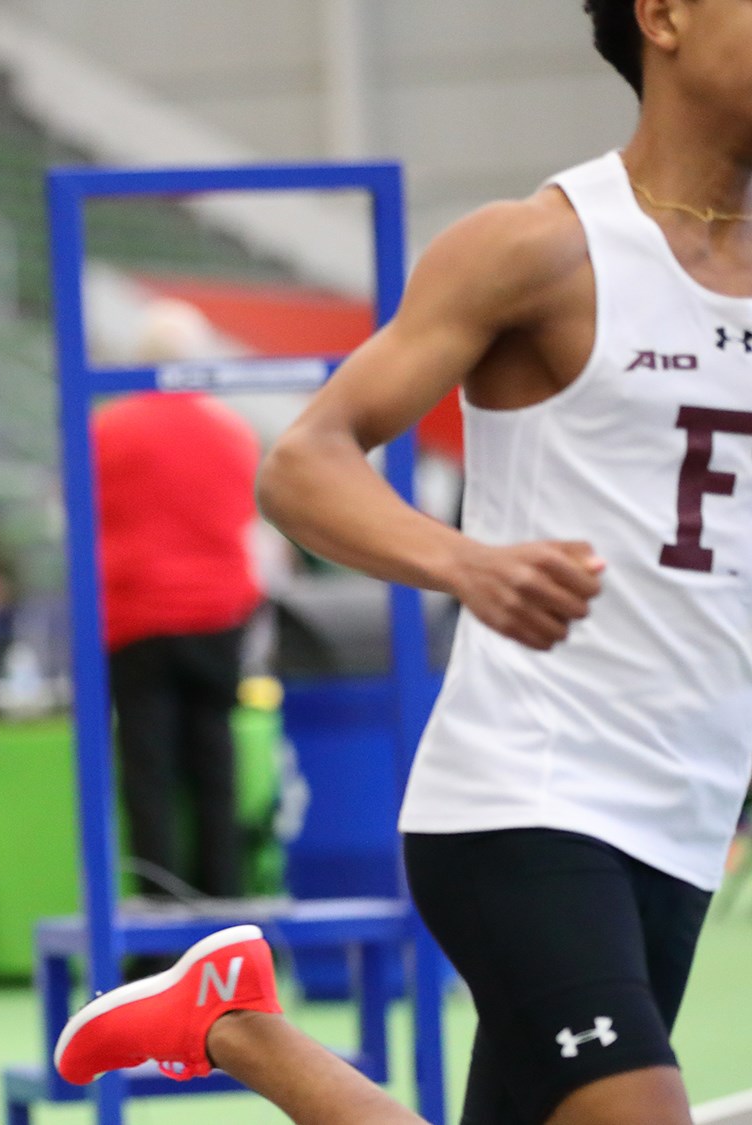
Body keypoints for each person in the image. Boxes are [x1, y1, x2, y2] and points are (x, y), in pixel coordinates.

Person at [61, 3, 749, 1123]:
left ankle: (228, 1026)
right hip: (530, 794)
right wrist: (466, 564)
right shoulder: (538, 246)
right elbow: (302, 463)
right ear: (661, 15)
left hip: (687, 810)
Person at [95, 300, 264, 910]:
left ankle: (158, 916)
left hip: (136, 616)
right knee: (214, 766)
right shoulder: (232, 429)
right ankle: (224, 905)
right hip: (218, 613)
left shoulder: (108, 429)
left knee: (148, 773)